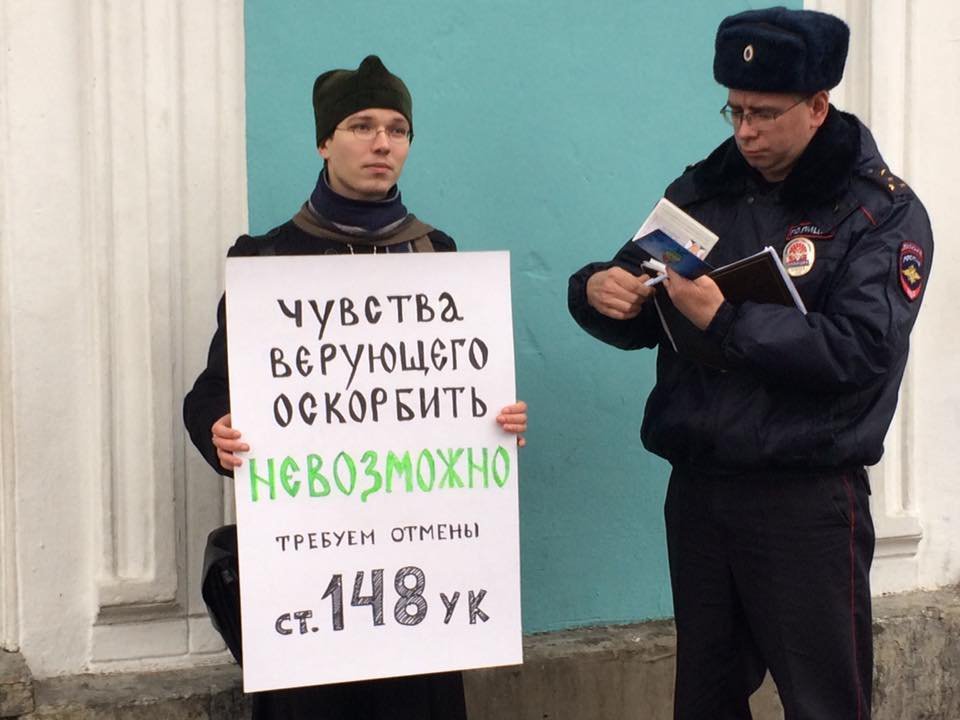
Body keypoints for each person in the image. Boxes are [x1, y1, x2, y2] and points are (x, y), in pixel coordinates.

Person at [568, 8, 932, 719]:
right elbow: (640, 294)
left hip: (805, 500)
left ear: (818, 106)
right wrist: (597, 292)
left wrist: (729, 320)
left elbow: (862, 350)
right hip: (701, 491)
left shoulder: (878, 213)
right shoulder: (705, 189)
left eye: (764, 114)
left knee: (824, 703)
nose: (745, 132)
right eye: (734, 110)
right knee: (704, 700)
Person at [184, 54, 528, 720]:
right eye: (362, 126)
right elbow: (210, 392)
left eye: (397, 129)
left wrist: (497, 421)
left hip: (419, 572)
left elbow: (452, 389)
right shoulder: (266, 261)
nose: (382, 143)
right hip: (309, 578)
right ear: (324, 141)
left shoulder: (437, 256)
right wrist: (217, 429)